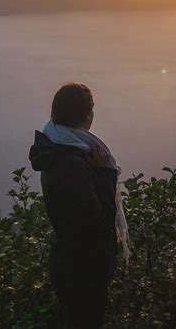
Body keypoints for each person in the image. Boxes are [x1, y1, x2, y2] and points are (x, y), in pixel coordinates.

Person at [29, 82, 130, 329]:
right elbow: (98, 221)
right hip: (82, 270)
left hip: (69, 261)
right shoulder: (71, 162)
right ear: (87, 116)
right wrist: (106, 175)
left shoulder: (57, 145)